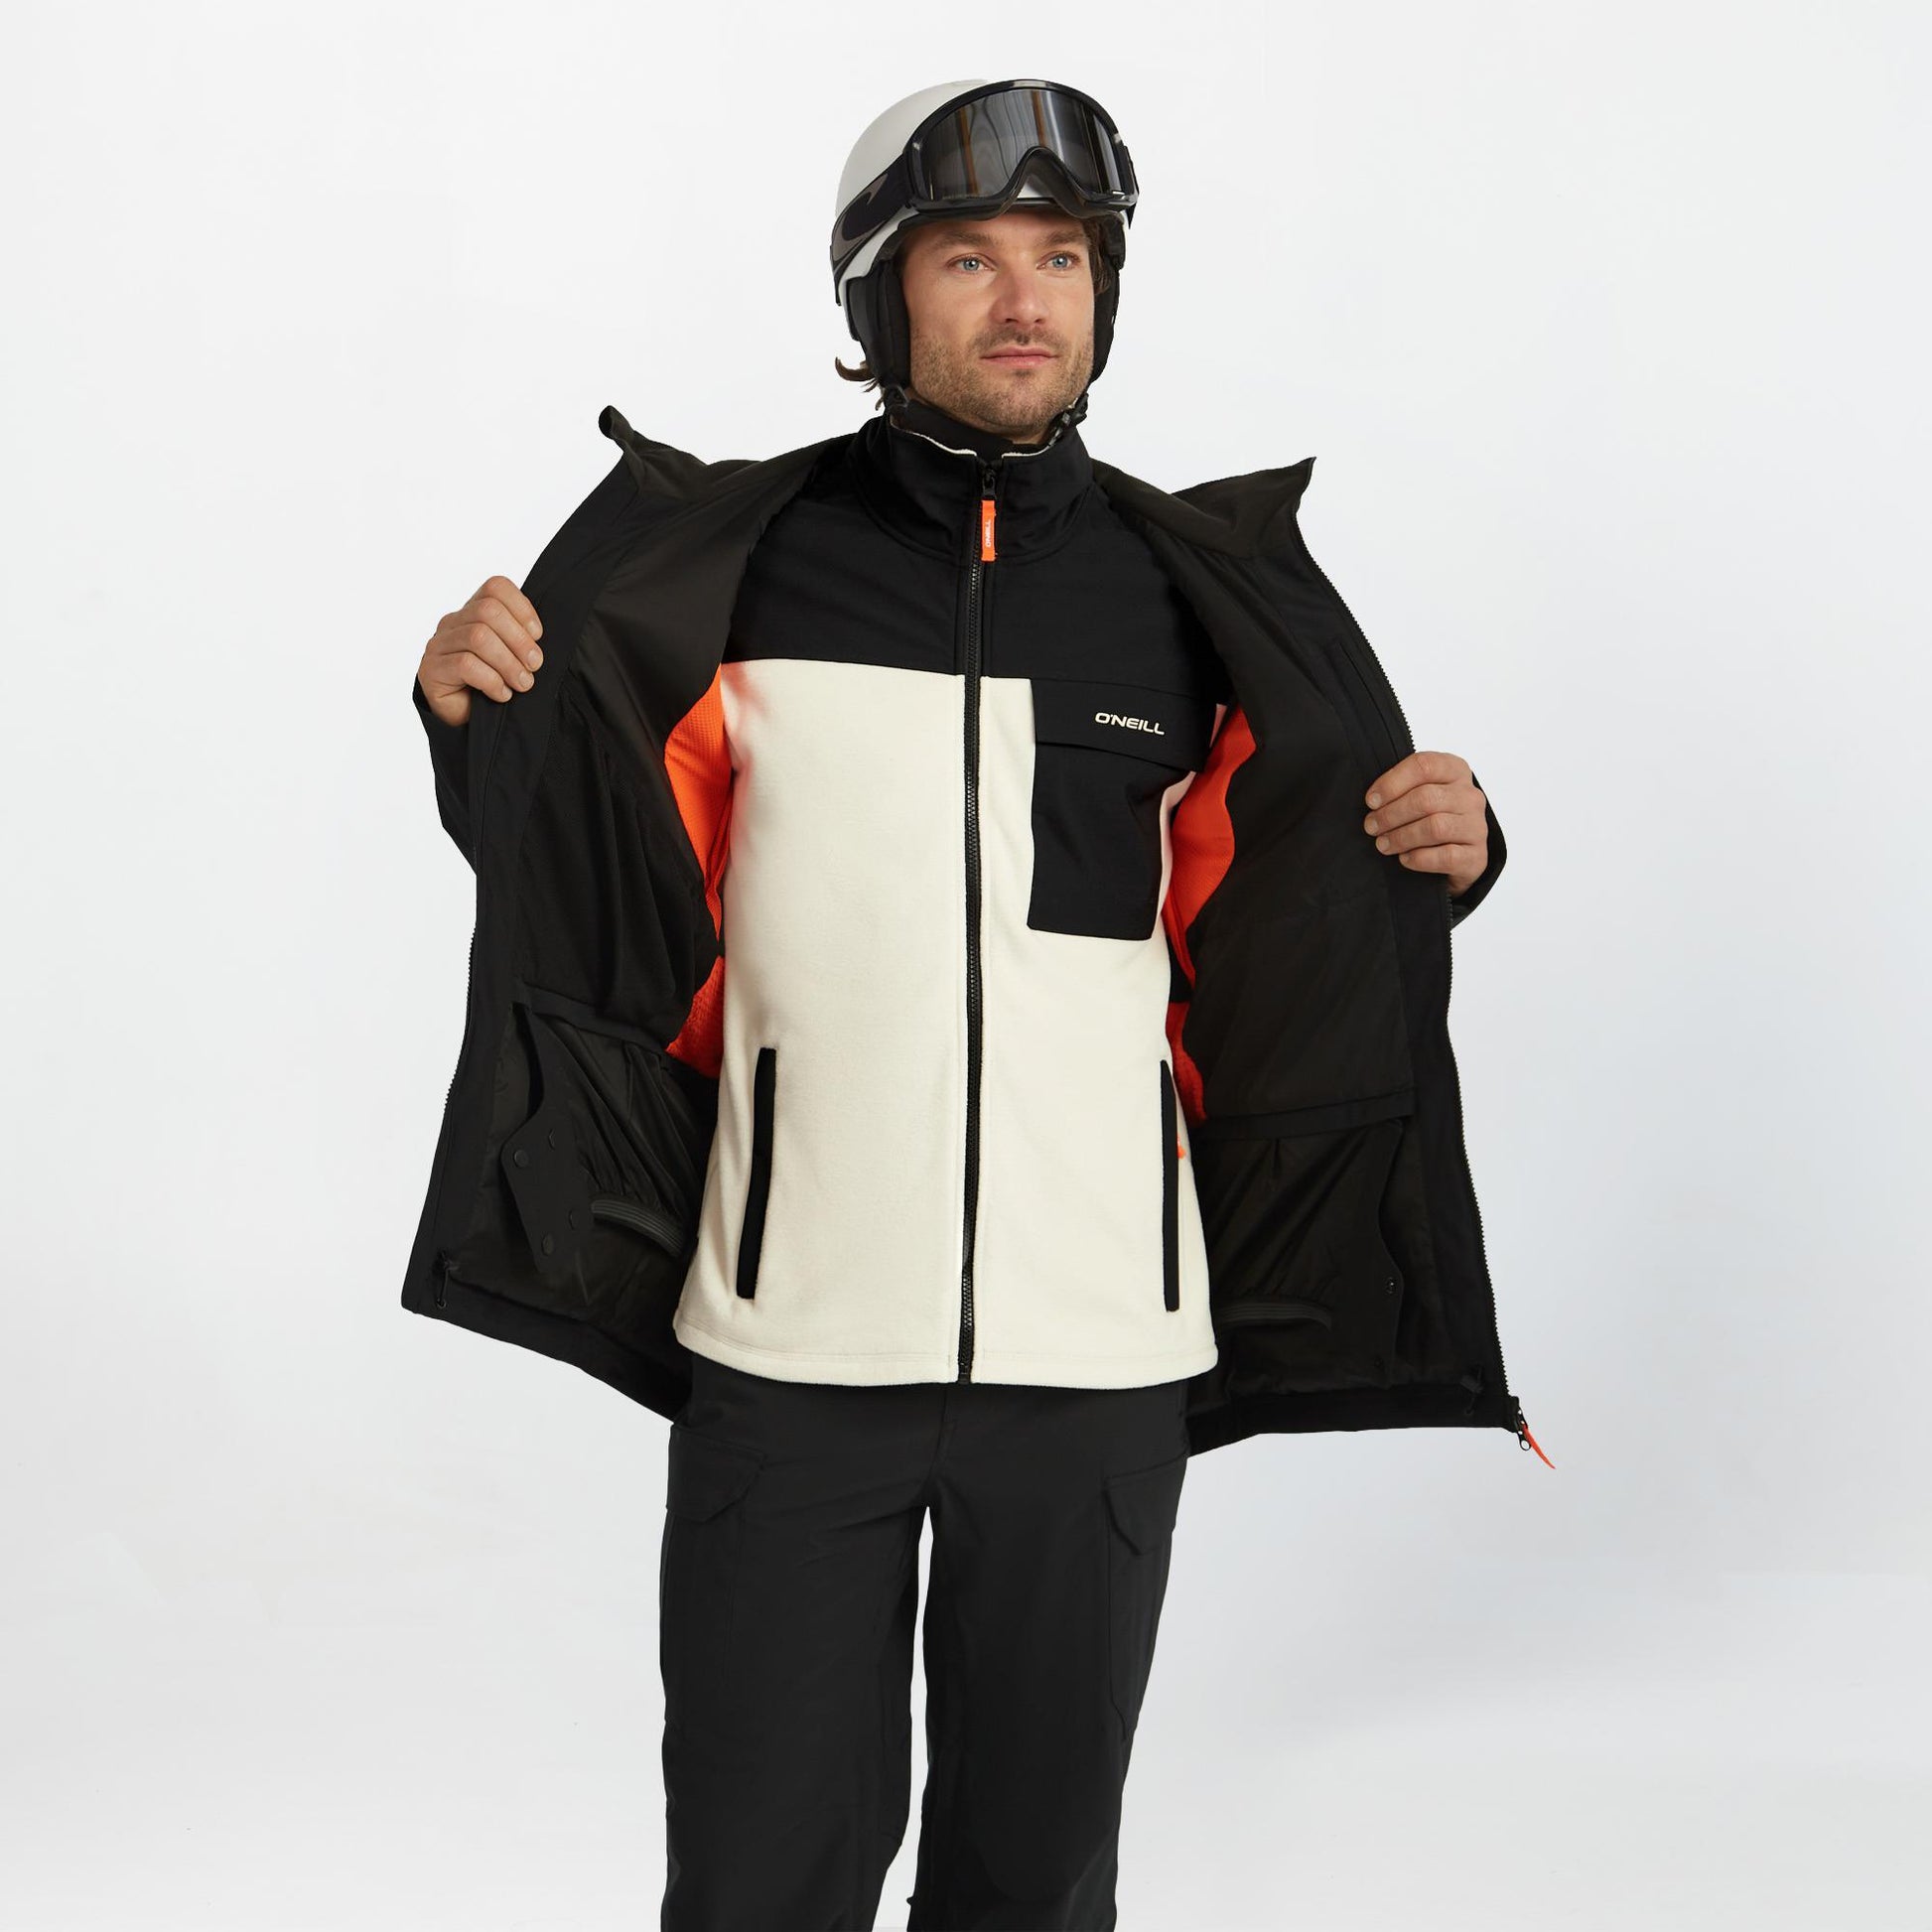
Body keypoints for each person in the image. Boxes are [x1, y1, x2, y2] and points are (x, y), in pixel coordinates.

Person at [409, 76, 1519, 1931]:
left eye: (1061, 258)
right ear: (877, 298)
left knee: (1033, 1885)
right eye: (967, 260)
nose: (1023, 301)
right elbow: (589, 876)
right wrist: (469, 719)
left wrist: (1452, 850)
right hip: (788, 1344)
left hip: (1097, 1356)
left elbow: (1287, 911)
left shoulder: (1196, 595)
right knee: (758, 1881)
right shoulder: (735, 564)